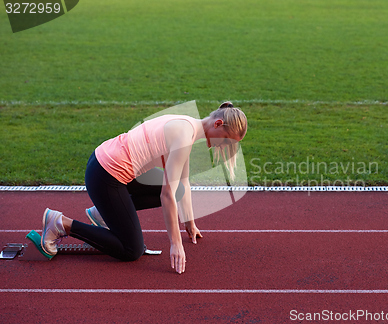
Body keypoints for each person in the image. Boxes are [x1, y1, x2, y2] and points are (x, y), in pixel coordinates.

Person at [40, 102, 247, 274]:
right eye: (227, 142)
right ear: (218, 124)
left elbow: (182, 183)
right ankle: (60, 223)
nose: (224, 147)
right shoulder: (185, 136)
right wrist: (175, 243)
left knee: (179, 190)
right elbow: (167, 195)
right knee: (131, 250)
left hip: (104, 161)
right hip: (105, 175)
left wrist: (190, 224)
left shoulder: (187, 126)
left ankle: (103, 214)